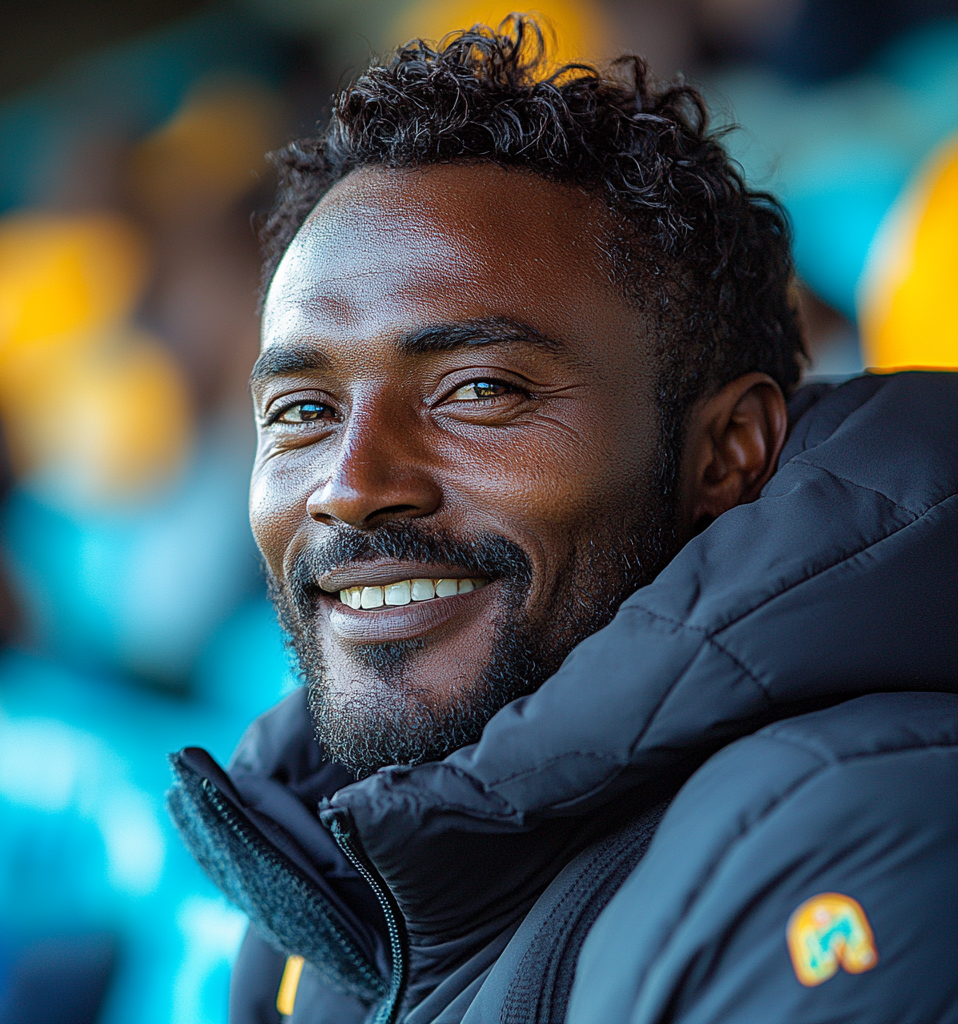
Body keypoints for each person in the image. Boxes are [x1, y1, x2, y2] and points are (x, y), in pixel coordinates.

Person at [168, 20, 957, 1024]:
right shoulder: (326, 861)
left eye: (479, 389)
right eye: (302, 412)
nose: (351, 485)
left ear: (724, 452)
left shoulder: (856, 842)